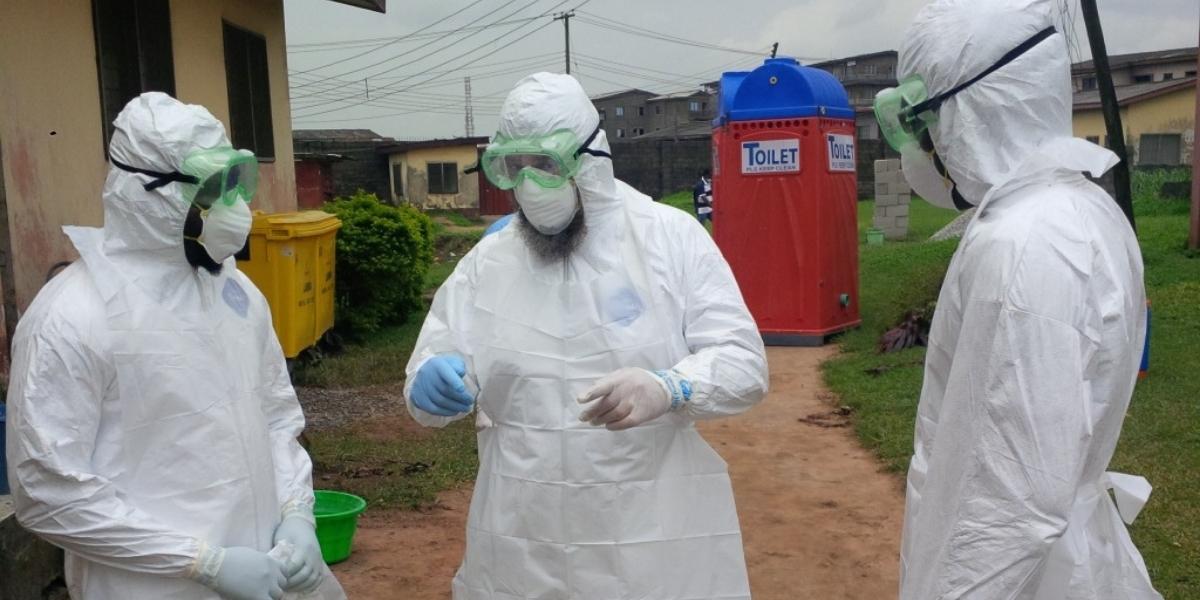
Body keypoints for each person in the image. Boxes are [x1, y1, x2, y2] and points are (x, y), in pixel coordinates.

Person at [405, 73, 769, 599]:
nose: (530, 184)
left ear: (591, 158)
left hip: (648, 541)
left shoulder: (668, 240)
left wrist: (671, 387)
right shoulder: (491, 262)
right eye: (515, 166)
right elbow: (435, 361)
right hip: (520, 541)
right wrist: (429, 383)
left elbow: (743, 363)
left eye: (546, 164)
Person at [874, 1, 1162, 598]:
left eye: (926, 126)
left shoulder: (1023, 246)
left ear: (968, 114)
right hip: (1066, 562)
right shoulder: (1080, 206)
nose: (924, 149)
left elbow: (1007, 507)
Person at [5, 92, 343, 600]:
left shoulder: (235, 292)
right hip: (148, 587)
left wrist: (296, 514)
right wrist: (204, 563)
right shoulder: (71, 317)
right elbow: (47, 491)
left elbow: (275, 418)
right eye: (210, 188)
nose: (233, 206)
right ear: (147, 193)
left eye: (233, 182)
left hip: (271, 573)